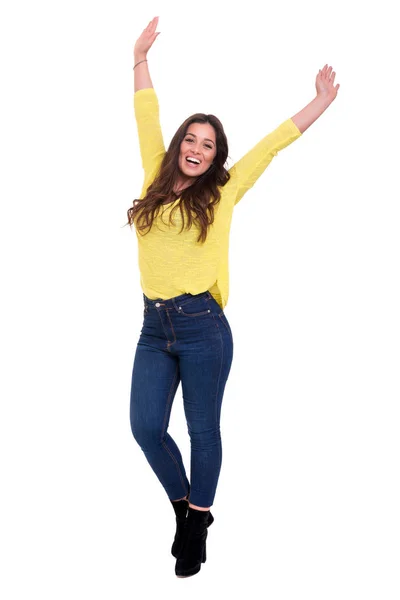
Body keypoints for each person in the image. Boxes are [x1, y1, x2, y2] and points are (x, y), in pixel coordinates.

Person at [127, 16, 340, 578]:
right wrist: (139, 57)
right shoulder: (154, 173)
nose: (197, 149)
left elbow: (272, 145)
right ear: (178, 147)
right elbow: (146, 113)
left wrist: (318, 101)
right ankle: (185, 508)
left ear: (216, 156)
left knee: (202, 431)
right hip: (153, 328)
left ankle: (197, 524)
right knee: (146, 426)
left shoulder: (223, 190)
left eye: (208, 144)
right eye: (190, 140)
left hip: (202, 328)